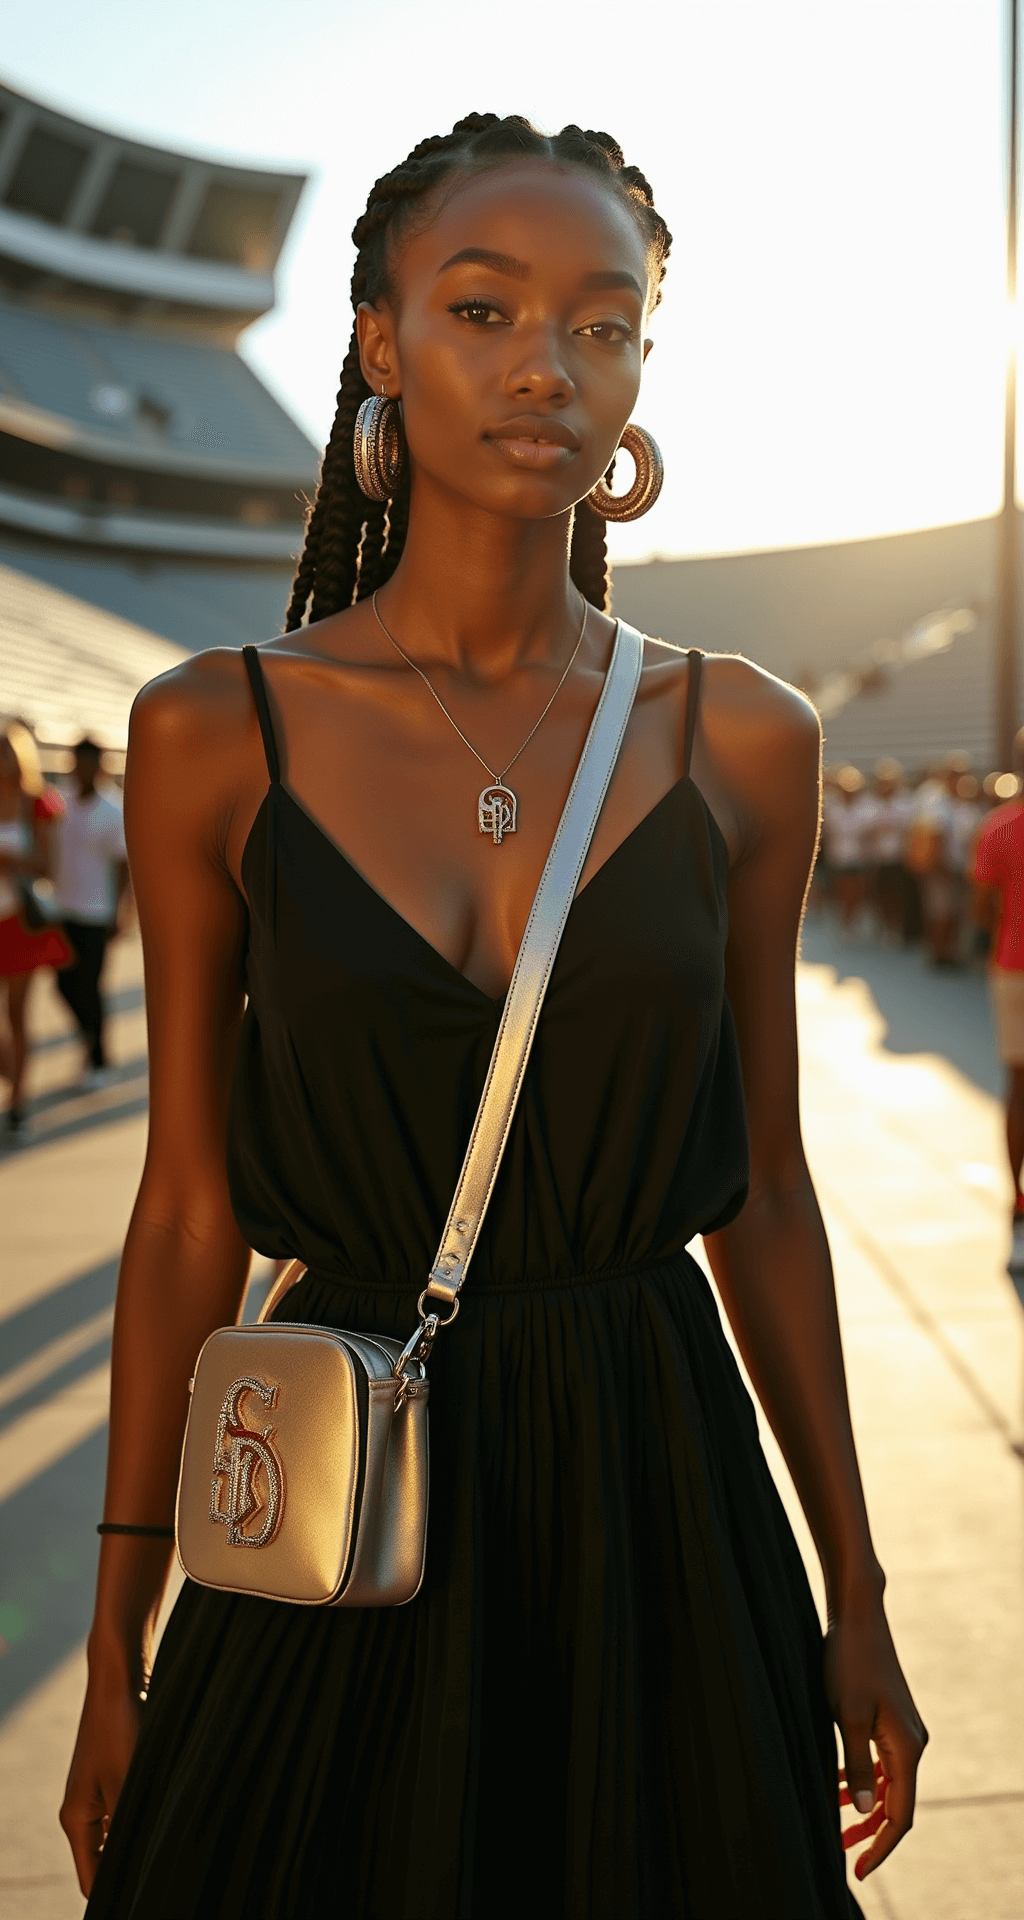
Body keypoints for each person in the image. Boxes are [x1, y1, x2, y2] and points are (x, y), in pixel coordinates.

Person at [61, 114, 925, 1918]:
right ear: (377, 340)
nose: (549, 366)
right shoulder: (214, 731)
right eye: (482, 309)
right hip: (330, 1501)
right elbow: (190, 1210)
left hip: (656, 1506)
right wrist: (114, 1631)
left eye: (602, 326)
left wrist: (851, 1586)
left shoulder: (740, 736)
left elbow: (762, 1187)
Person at [0, 721, 71, 1135]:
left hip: (20, 921)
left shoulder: (37, 802)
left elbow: (48, 866)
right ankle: (14, 1075)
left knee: (17, 1014)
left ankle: (19, 1098)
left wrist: (9, 863)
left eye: (7, 751)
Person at [972, 735, 1024, 1274]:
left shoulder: (999, 826)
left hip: (1014, 966)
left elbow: (981, 902)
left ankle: (1019, 1206)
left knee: (1018, 1087)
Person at [53, 737, 130, 1086]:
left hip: (97, 912)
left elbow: (122, 866)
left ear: (99, 766)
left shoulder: (112, 809)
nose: (82, 769)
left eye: (88, 763)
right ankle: (88, 1038)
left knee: (89, 986)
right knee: (64, 984)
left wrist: (121, 911)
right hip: (63, 908)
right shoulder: (61, 802)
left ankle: (99, 1058)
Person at [860, 759, 915, 944]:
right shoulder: (869, 802)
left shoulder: (905, 802)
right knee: (879, 895)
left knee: (898, 895)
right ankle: (883, 926)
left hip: (899, 858)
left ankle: (895, 927)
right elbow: (863, 829)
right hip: (877, 859)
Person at [821, 764, 871, 934]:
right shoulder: (831, 806)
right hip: (838, 856)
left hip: (859, 856)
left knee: (857, 891)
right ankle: (845, 920)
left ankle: (852, 919)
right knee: (841, 890)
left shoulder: (865, 806)